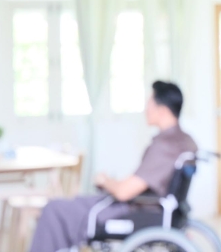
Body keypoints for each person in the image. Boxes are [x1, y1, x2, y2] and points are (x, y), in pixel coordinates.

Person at [29, 81, 197, 252]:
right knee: (73, 204)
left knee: (54, 210)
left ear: (162, 110)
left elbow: (124, 192)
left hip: (137, 210)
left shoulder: (165, 145)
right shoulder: (185, 141)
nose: (146, 109)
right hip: (149, 205)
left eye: (149, 104)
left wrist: (105, 181)